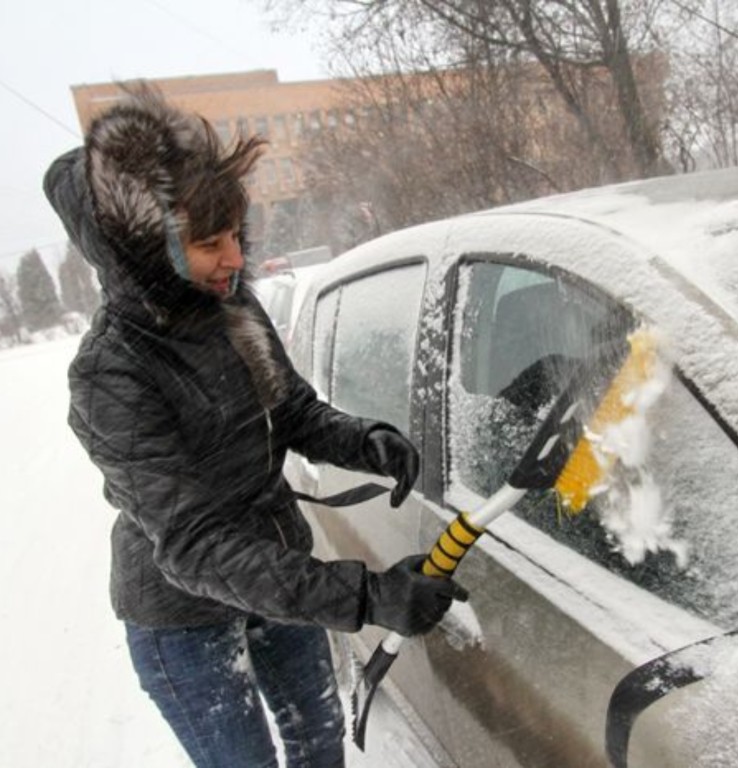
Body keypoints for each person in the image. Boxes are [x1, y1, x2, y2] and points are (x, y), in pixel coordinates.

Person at [43, 84, 466, 768]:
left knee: (318, 744)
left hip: (280, 574)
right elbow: (194, 543)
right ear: (145, 250)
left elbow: (292, 410)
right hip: (180, 614)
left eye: (236, 234)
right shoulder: (109, 375)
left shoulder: (231, 307)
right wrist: (366, 595)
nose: (237, 259)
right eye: (210, 244)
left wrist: (365, 441)